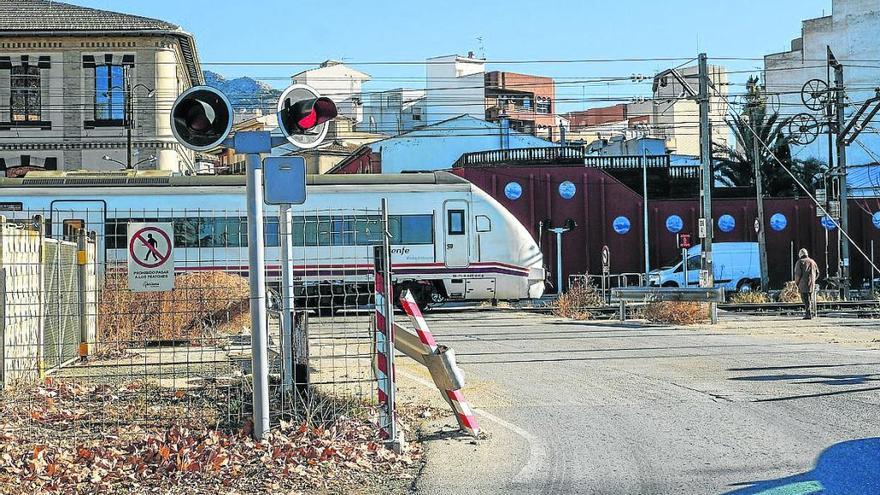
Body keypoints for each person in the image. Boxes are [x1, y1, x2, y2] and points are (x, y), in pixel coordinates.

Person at [793, 248, 819, 319]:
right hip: (811, 284)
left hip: (803, 284)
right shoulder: (812, 261)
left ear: (800, 254)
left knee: (805, 299)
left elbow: (798, 274)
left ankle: (808, 314)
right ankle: (811, 313)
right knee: (810, 299)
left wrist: (796, 283)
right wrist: (813, 280)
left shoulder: (800, 262)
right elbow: (817, 273)